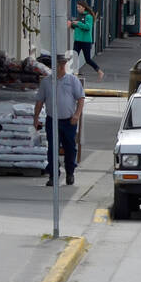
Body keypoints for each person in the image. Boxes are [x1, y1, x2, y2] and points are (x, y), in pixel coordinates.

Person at [32, 52, 85, 186]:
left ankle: (70, 173)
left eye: (63, 65)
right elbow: (39, 101)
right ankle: (53, 175)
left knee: (70, 148)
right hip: (52, 120)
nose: (61, 67)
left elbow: (80, 99)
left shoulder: (72, 80)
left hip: (69, 121)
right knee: (53, 149)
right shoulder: (46, 82)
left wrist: (77, 115)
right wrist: (36, 117)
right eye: (59, 65)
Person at [67, 0, 104, 81]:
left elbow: (88, 27)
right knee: (74, 57)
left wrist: (78, 23)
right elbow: (77, 26)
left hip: (85, 41)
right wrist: (71, 24)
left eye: (79, 7)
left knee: (87, 59)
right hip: (77, 40)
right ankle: (75, 75)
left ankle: (99, 71)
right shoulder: (79, 15)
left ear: (84, 7)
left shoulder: (89, 16)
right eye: (77, 7)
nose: (78, 9)